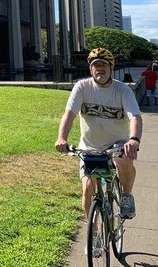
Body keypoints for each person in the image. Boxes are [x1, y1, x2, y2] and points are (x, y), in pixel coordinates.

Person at [55, 47, 143, 224]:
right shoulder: (82, 87)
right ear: (90, 69)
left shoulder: (122, 90)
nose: (100, 69)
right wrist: (62, 138)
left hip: (116, 144)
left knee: (124, 161)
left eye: (104, 65)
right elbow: (69, 114)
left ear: (112, 68)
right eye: (96, 65)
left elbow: (135, 117)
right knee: (88, 190)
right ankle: (94, 233)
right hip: (89, 146)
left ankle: (126, 195)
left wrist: (133, 140)